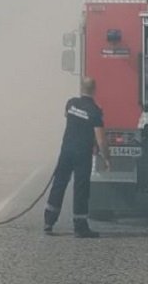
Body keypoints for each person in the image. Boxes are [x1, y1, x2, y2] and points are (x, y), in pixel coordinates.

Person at [43, 77, 111, 238]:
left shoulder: (71, 103)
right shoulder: (95, 110)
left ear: (81, 88)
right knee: (81, 189)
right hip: (82, 154)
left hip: (66, 150)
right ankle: (80, 227)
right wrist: (107, 157)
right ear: (95, 90)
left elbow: (67, 115)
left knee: (59, 184)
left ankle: (48, 222)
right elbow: (101, 139)